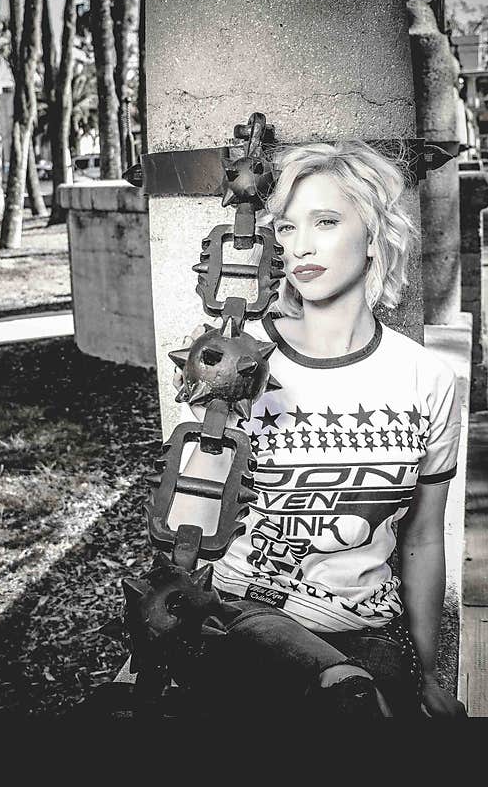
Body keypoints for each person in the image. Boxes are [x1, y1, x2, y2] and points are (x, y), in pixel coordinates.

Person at [168, 140, 466, 718]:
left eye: (325, 222)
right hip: (243, 617)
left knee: (367, 703)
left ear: (376, 234)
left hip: (365, 628)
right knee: (347, 700)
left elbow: (424, 537)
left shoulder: (425, 379)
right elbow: (192, 528)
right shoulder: (242, 365)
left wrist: (430, 675)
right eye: (285, 229)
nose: (300, 245)